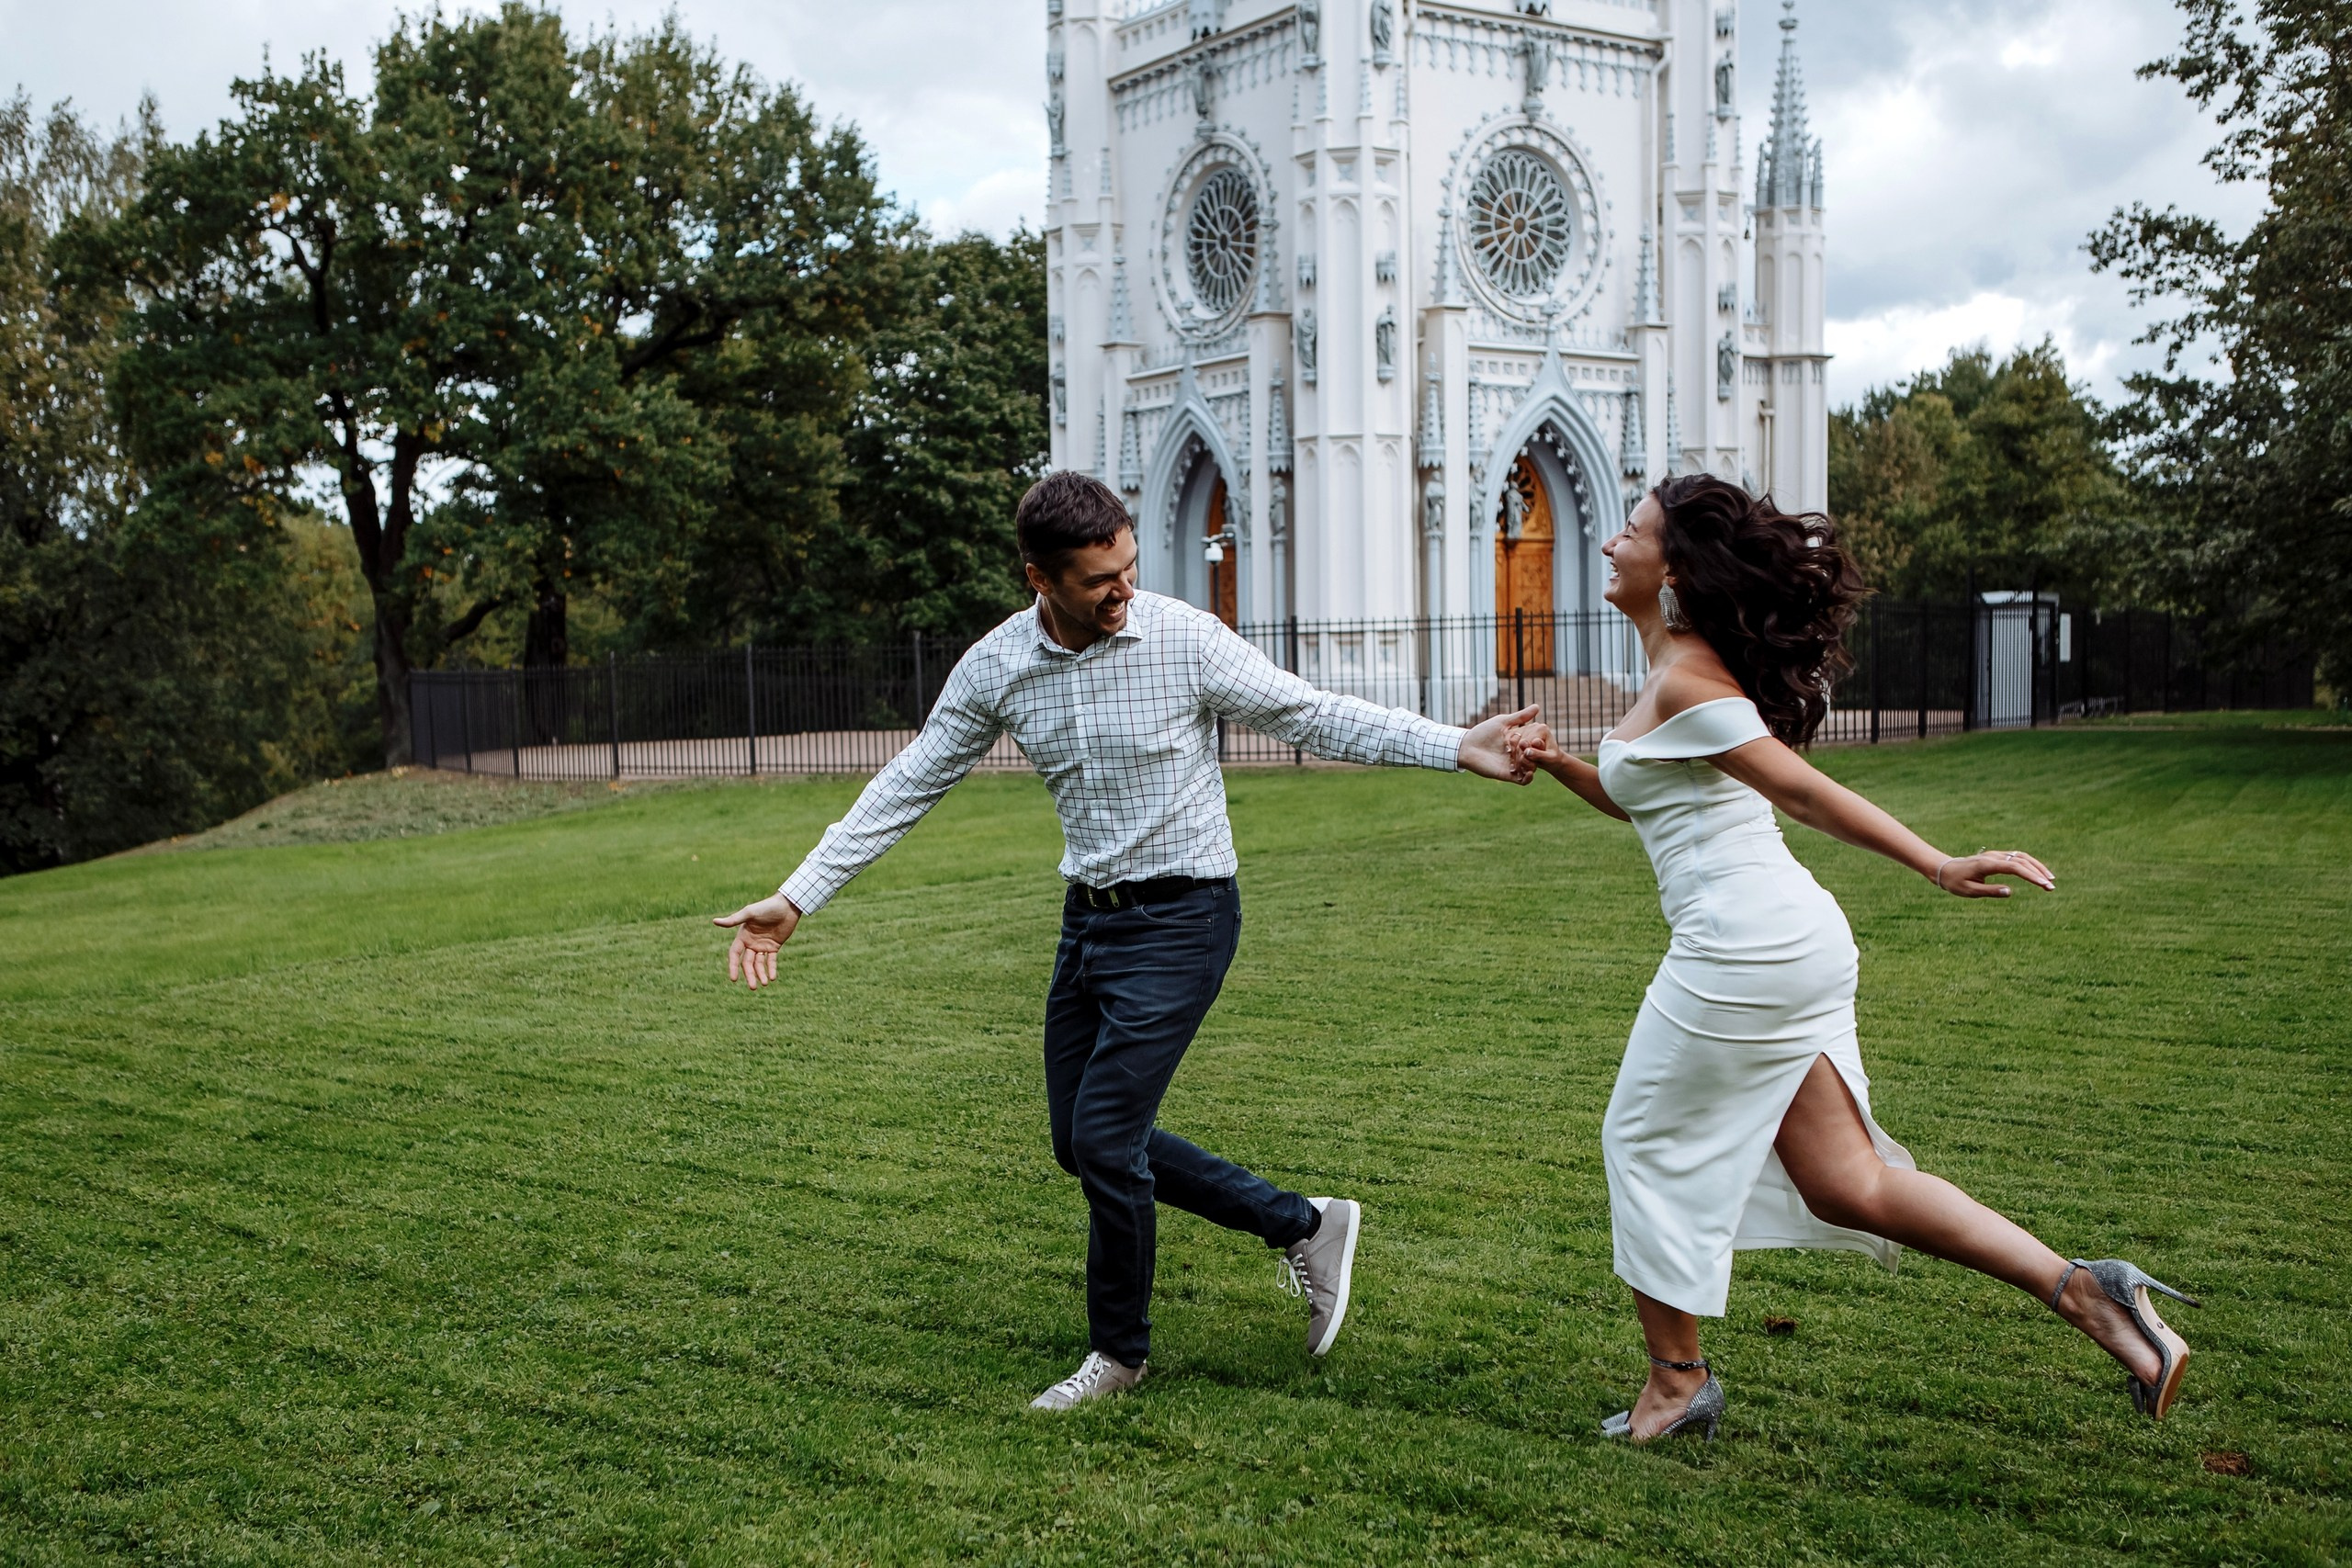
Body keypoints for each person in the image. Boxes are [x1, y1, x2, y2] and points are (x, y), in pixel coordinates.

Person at [714, 471, 1541, 1412]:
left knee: (1105, 1138)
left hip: (1186, 919)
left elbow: (1309, 712)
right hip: (1089, 925)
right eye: (1099, 578)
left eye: (1129, 565)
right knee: (1081, 1141)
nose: (1122, 589)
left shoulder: (1181, 637)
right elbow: (910, 781)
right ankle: (1302, 1223)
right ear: (1040, 577)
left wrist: (1453, 745)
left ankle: (1119, 1355)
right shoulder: (996, 668)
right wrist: (799, 897)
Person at [1508, 474, 2199, 1443]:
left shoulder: (1688, 680)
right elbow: (1649, 800)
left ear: (1676, 567)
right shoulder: (1675, 670)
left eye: (1631, 532)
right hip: (1785, 941)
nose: (1612, 544)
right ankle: (2090, 1293)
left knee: (1639, 1140)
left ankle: (1676, 1380)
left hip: (1741, 947)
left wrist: (1934, 861)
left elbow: (1802, 793)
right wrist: (1566, 766)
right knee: (1846, 1184)